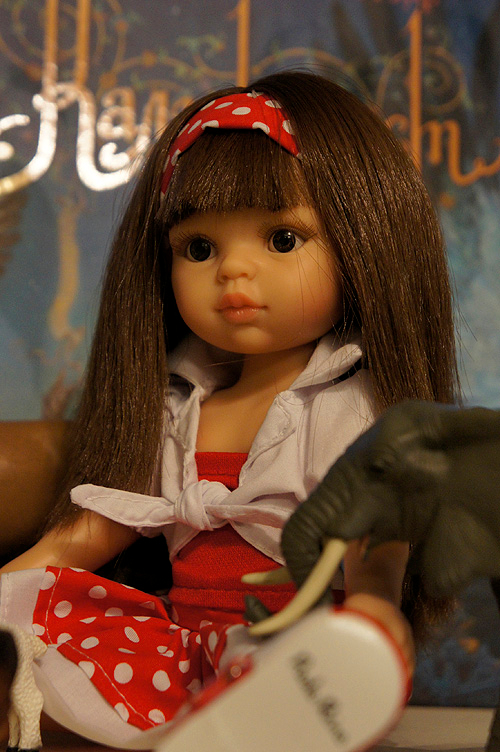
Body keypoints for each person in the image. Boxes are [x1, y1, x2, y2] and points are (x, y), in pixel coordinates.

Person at [0, 70, 458, 744]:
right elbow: (90, 534)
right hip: (186, 653)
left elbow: (374, 535)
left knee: (285, 694)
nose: (232, 272)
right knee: (39, 620)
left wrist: (375, 603)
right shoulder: (179, 407)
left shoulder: (346, 408)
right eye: (199, 248)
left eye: (282, 239)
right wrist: (13, 584)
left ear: (363, 243)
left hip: (288, 647)